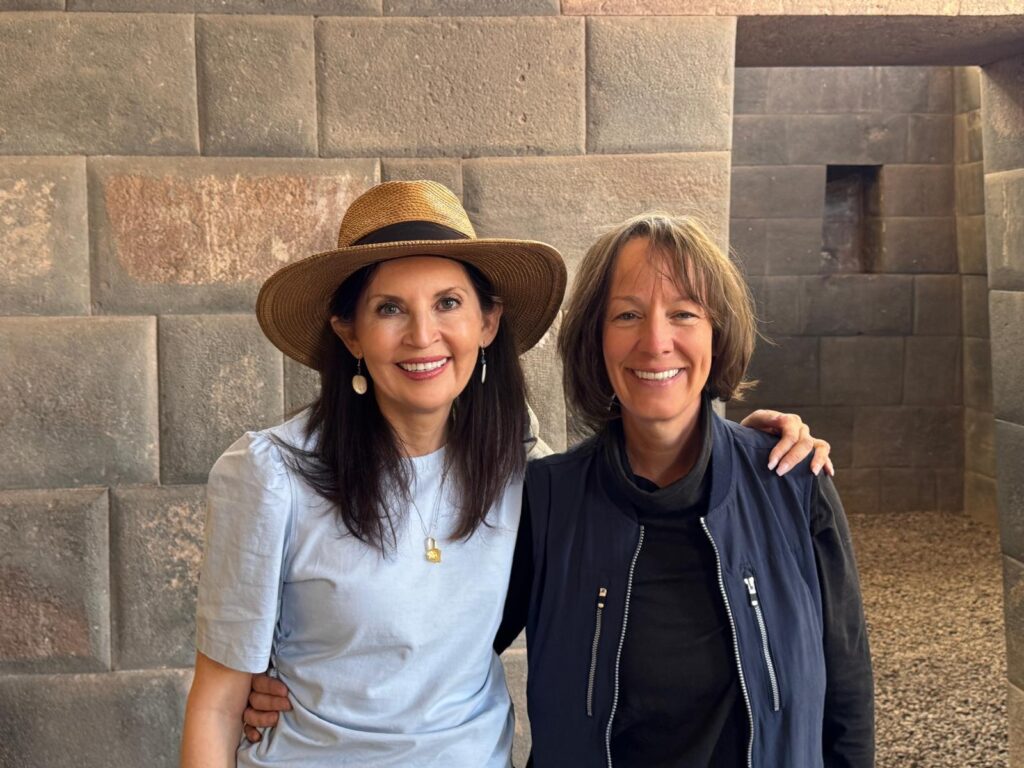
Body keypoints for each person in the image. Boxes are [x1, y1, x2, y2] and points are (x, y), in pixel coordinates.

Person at [216, 184, 835, 766]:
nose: (423, 334)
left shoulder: (519, 464)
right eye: (389, 308)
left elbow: (460, 637)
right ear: (350, 333)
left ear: (487, 323)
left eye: (448, 303)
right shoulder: (278, 471)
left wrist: (750, 453)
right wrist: (269, 676)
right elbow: (236, 685)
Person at [497, 213, 874, 767]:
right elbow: (449, 659)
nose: (656, 342)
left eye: (683, 314)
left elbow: (847, 693)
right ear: (595, 338)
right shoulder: (547, 500)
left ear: (716, 333)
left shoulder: (792, 482)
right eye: (627, 314)